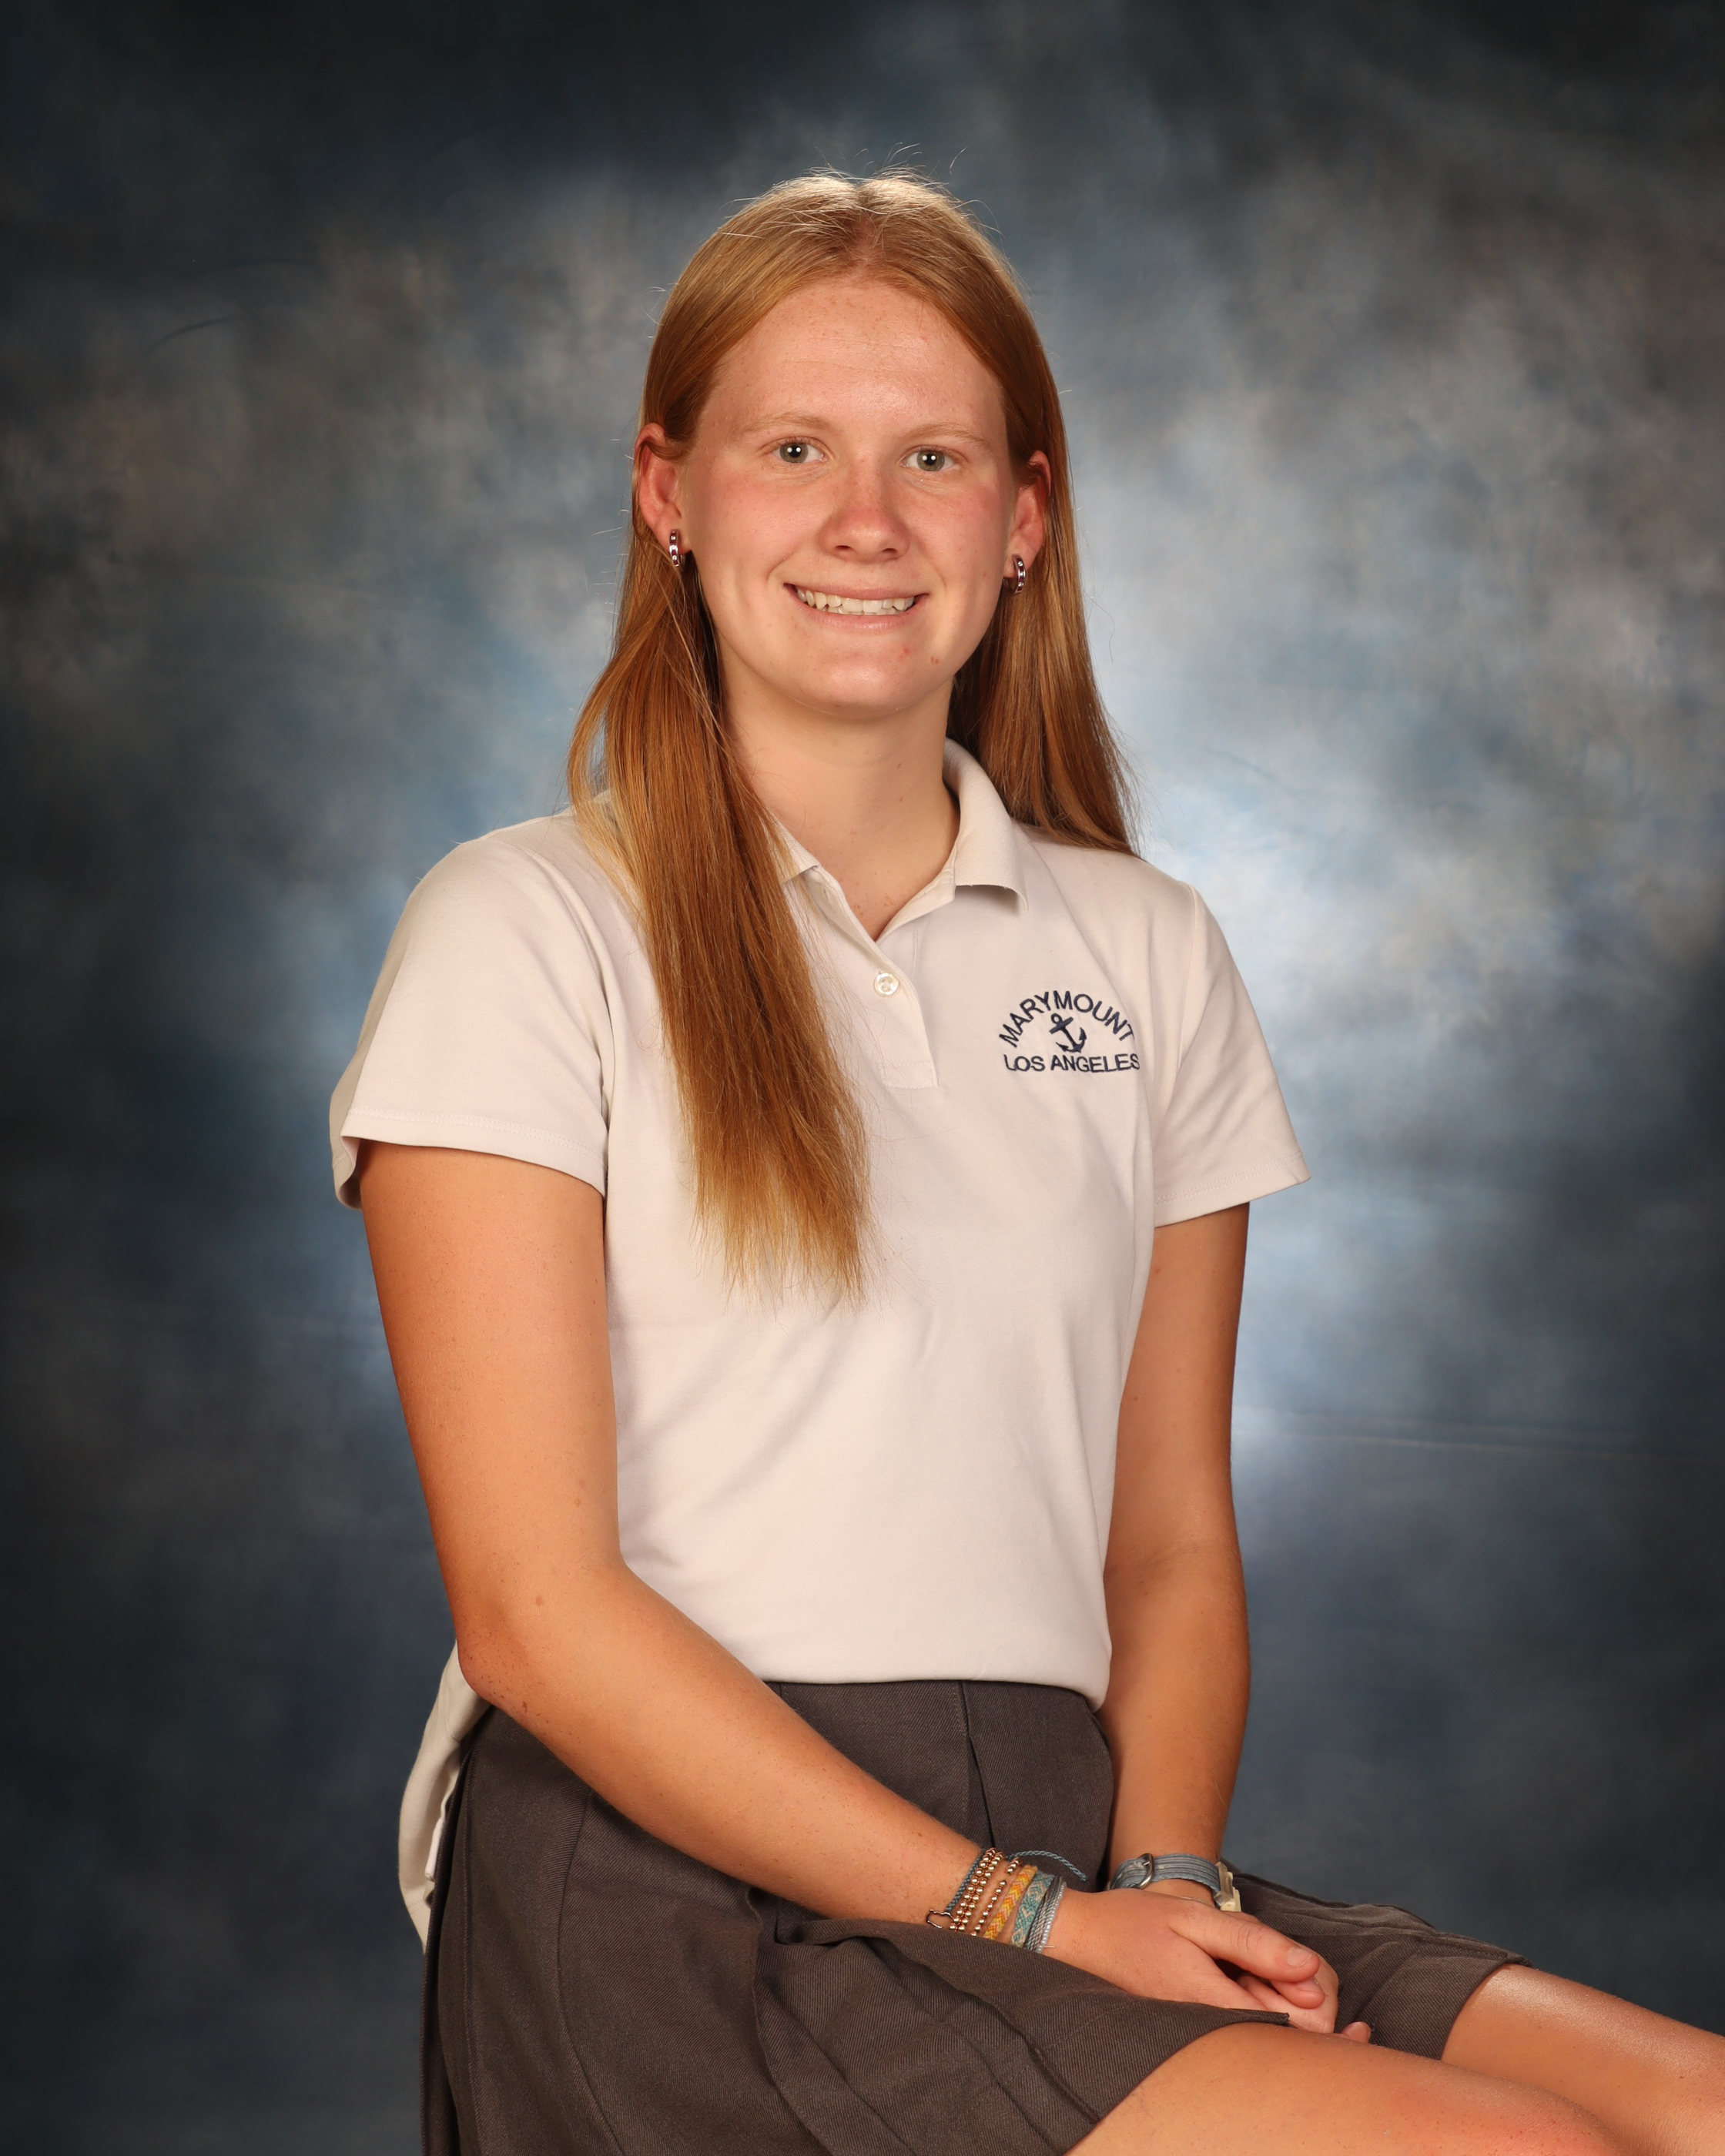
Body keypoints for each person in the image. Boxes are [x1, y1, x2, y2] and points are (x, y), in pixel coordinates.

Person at [330, 172, 1724, 2155]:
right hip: (676, 1885)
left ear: (1023, 515)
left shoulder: (1145, 948)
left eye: (933, 455)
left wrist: (1156, 1884)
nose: (865, 520)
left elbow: (1165, 1544)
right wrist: (1028, 1915)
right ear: (668, 491)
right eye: (791, 448)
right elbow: (538, 1615)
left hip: (1065, 1843)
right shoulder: (523, 927)